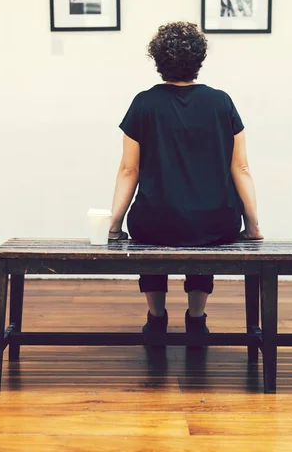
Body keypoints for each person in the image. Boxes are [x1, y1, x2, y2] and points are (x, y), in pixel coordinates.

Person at [109, 21, 263, 342]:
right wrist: (253, 226)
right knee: (201, 230)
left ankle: (156, 318)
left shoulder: (144, 103)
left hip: (155, 221)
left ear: (158, 61)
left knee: (152, 230)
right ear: (199, 60)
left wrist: (114, 225)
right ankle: (196, 318)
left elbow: (128, 170)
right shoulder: (222, 102)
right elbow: (242, 168)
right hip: (215, 221)